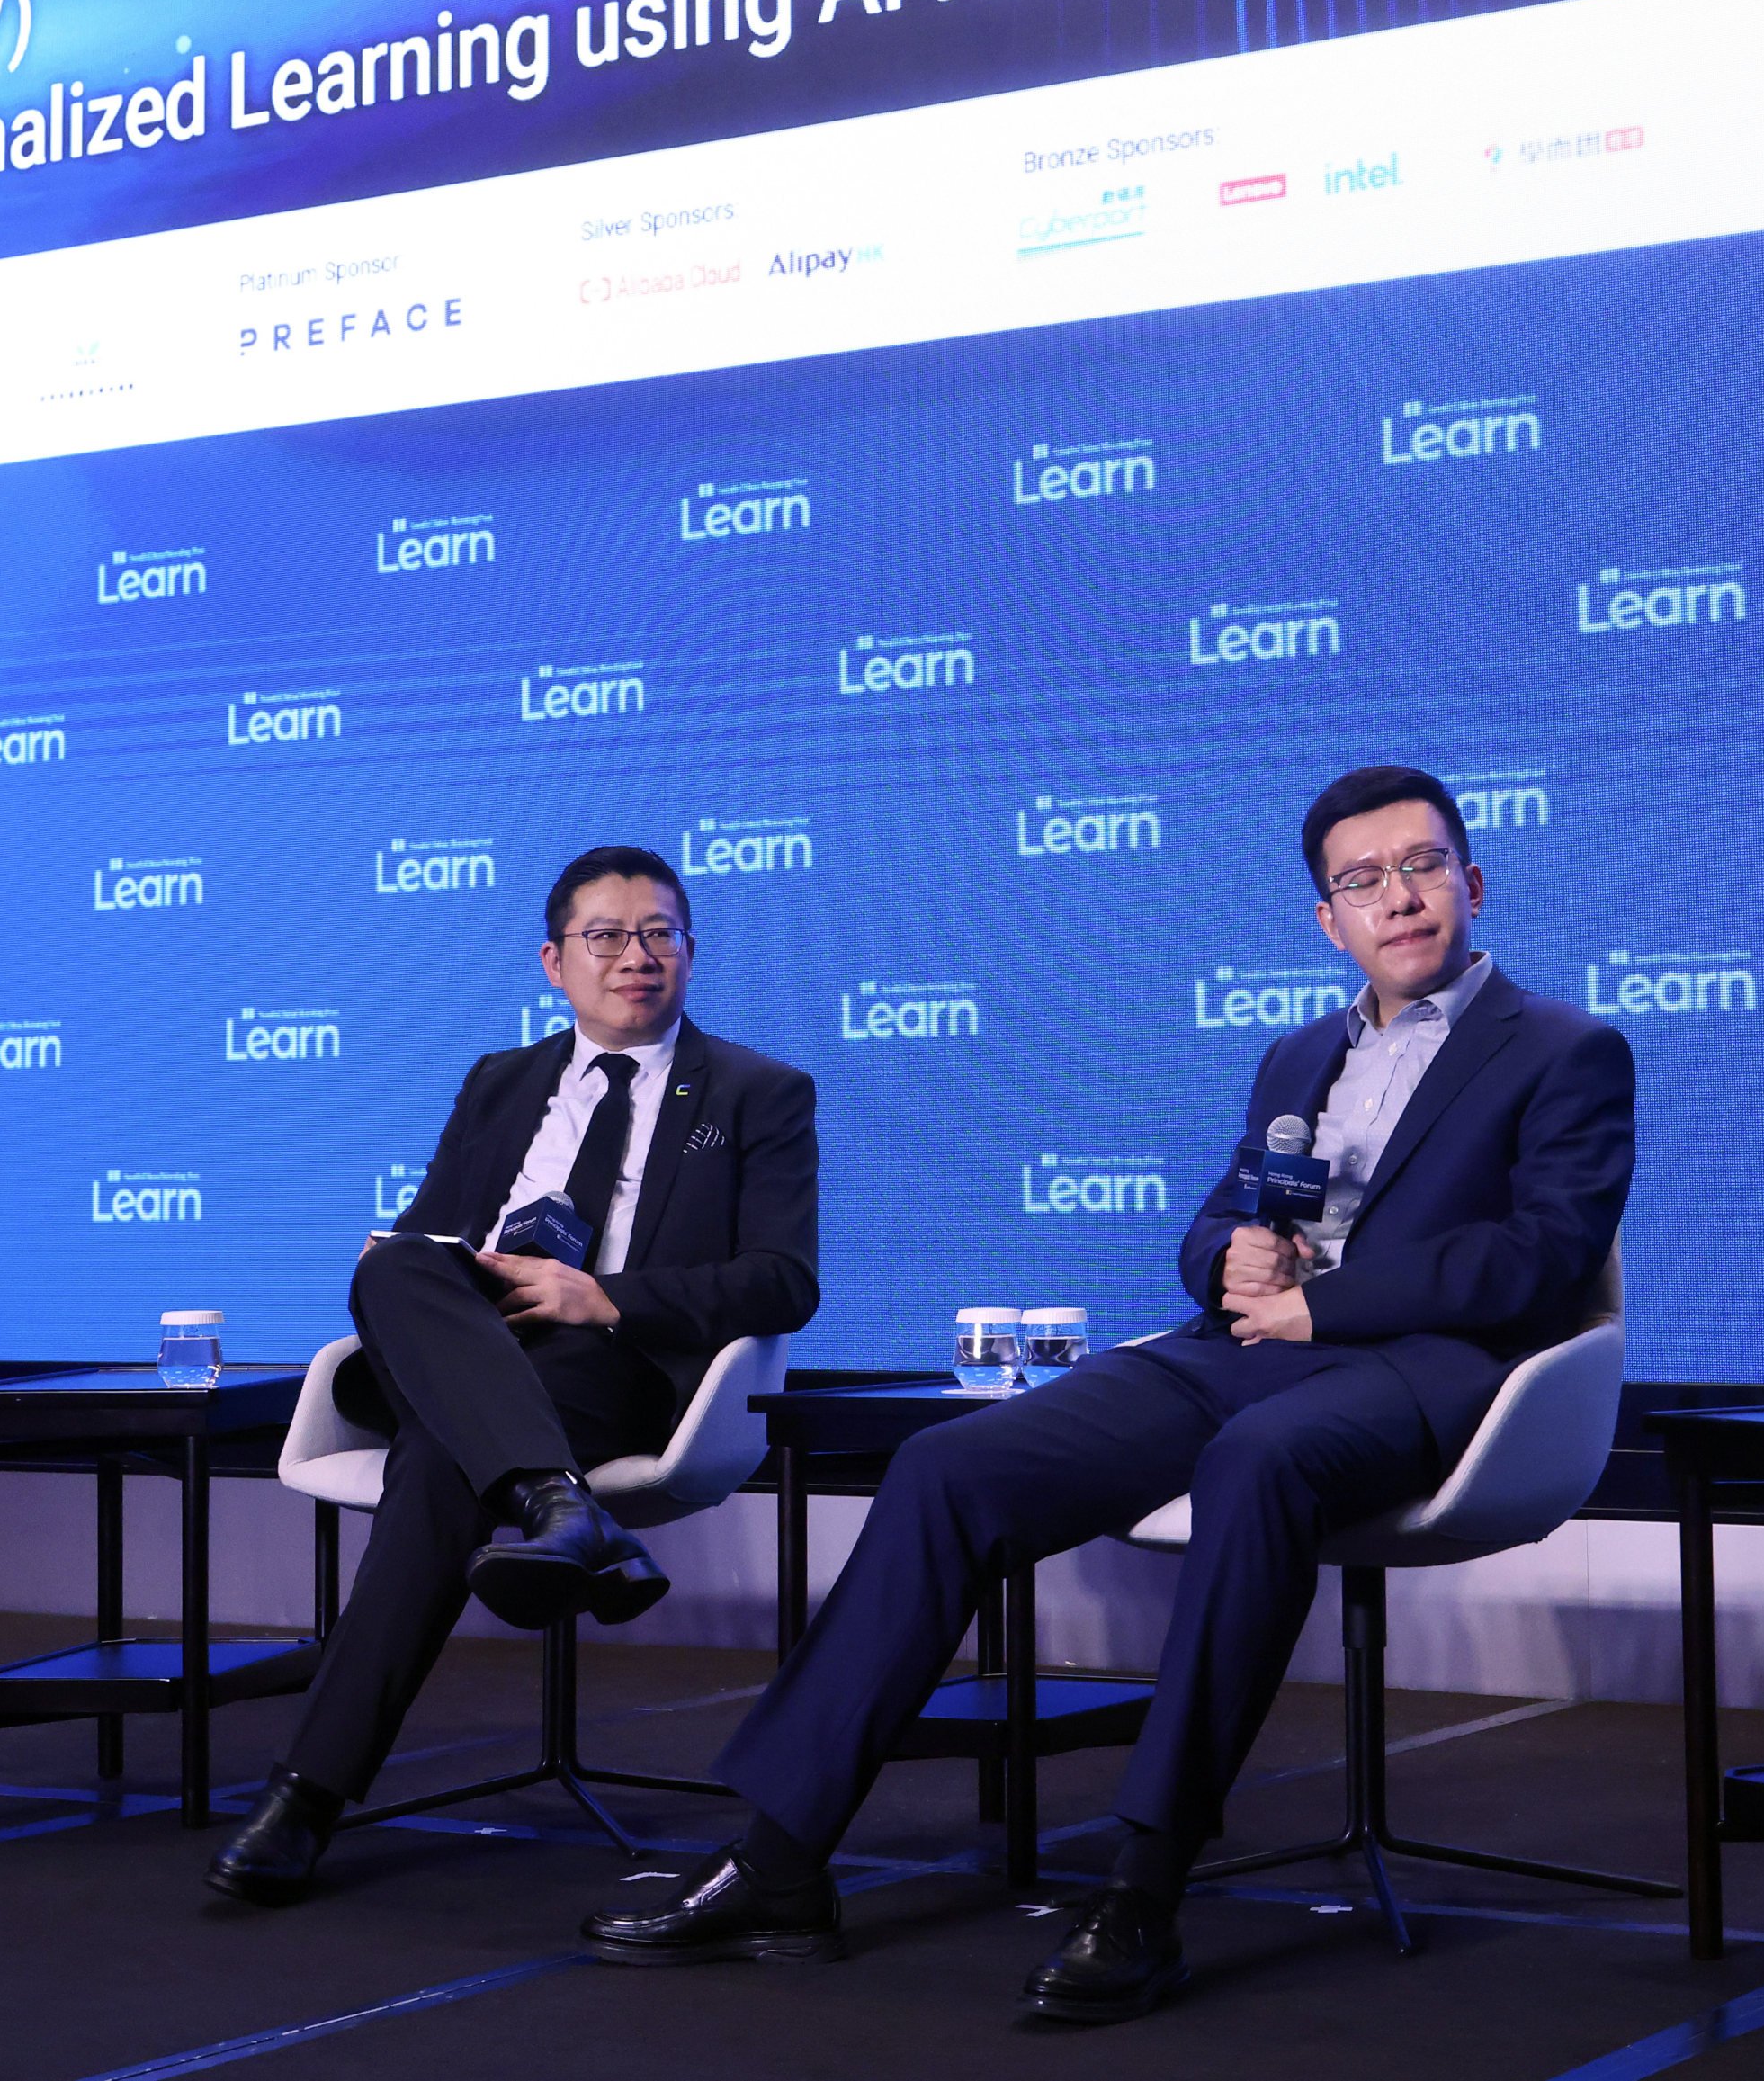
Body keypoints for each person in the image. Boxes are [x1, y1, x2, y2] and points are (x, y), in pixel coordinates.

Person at [585, 766, 1634, 2024]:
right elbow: (1220, 1218)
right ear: (1328, 921)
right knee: (948, 1466)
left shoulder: (1567, 1047)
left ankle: (1145, 1883)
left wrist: (1328, 1305)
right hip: (1238, 1349)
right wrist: (1235, 1258)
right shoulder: (1300, 1053)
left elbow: (1544, 1255)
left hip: (1426, 1374)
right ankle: (781, 1854)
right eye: (1362, 881)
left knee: (1261, 1459)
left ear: (1471, 880)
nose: (1397, 898)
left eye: (1421, 866)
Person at [209, 844, 820, 1905]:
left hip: (612, 1368)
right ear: (554, 961)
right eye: (607, 937)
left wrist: (608, 1297)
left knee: (440, 1466)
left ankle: (306, 1792)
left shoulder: (757, 1091)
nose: (637, 956)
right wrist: (426, 1270)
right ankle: (556, 1502)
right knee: (394, 1262)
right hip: (477, 1345)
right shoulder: (501, 1081)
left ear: (688, 950)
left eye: (660, 934)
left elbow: (784, 1280)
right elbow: (428, 1236)